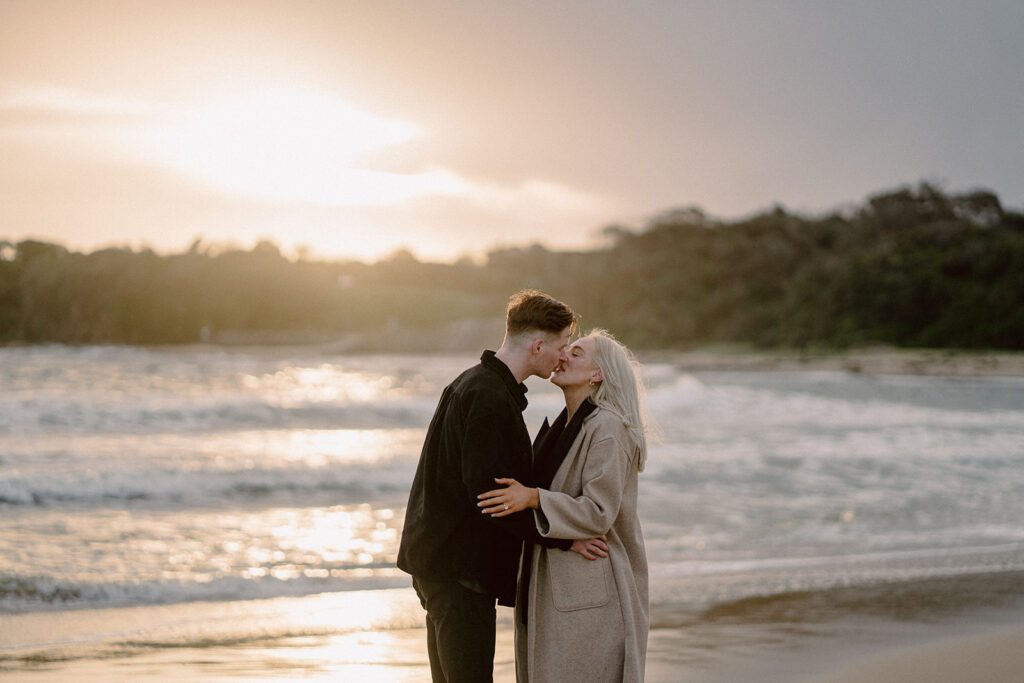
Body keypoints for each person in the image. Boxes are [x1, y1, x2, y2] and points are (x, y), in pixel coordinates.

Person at [397, 290, 604, 683]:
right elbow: (492, 500)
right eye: (562, 346)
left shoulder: (477, 384)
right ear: (538, 345)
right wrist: (564, 538)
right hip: (459, 570)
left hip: (442, 563)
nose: (563, 356)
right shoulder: (488, 398)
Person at [478, 329, 651, 683]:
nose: (564, 357)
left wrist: (534, 497)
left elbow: (599, 512)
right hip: (561, 585)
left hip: (591, 589)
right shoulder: (568, 423)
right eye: (567, 350)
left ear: (597, 374)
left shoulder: (607, 427)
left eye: (577, 353)